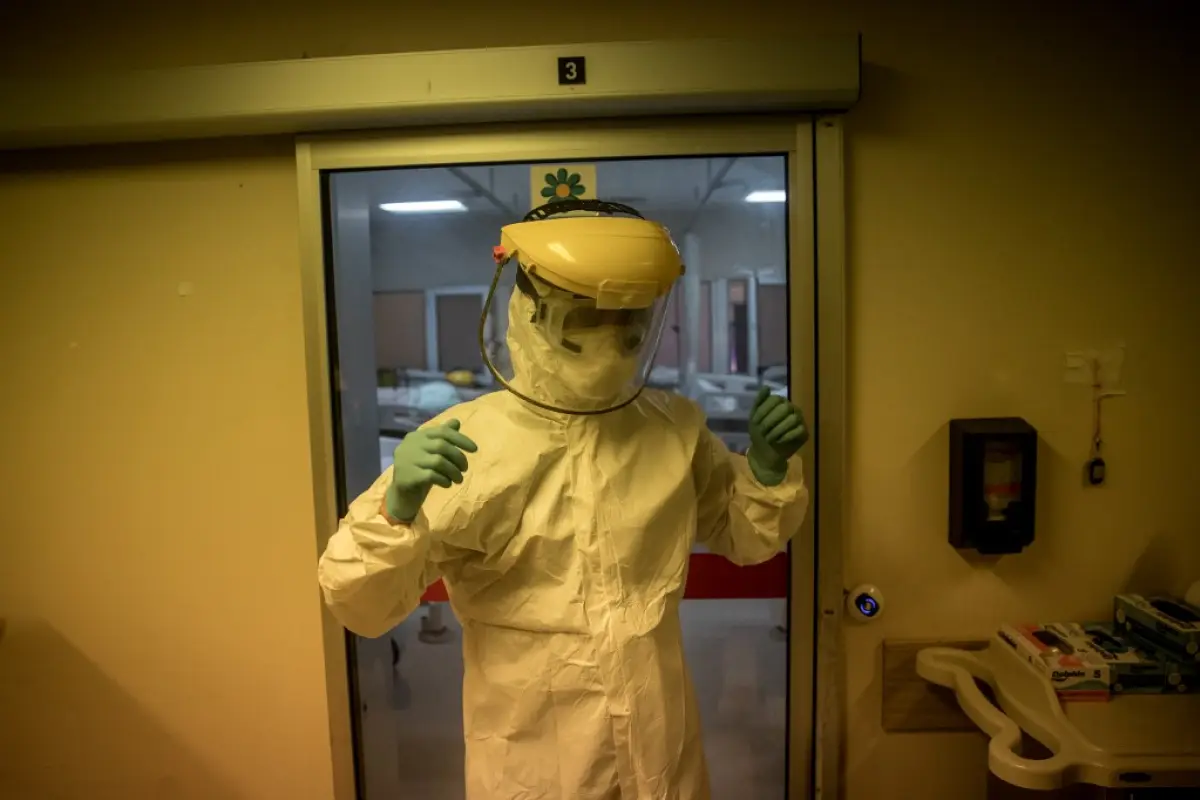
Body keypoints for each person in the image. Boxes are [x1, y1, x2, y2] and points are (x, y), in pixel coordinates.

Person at [318, 200, 809, 800]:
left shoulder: (673, 429)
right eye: (585, 318)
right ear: (530, 312)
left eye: (629, 319)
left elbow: (745, 538)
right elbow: (362, 606)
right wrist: (395, 509)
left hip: (659, 741)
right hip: (535, 758)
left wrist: (761, 468)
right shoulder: (470, 444)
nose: (613, 338)